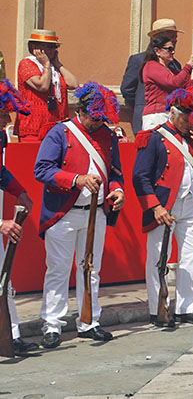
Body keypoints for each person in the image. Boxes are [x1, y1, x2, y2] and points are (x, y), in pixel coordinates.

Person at [34, 82, 125, 348]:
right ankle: (52, 324)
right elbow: (42, 170)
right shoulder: (60, 132)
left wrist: (118, 191)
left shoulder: (107, 136)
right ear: (82, 111)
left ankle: (89, 321)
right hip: (63, 212)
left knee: (91, 270)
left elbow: (115, 172)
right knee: (58, 269)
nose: (98, 123)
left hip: (95, 213)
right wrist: (76, 179)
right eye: (95, 117)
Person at [133, 87, 193, 327]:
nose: (188, 124)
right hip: (164, 206)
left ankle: (186, 307)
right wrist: (155, 207)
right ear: (173, 113)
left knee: (190, 258)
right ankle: (157, 308)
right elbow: (140, 177)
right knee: (159, 260)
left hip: (190, 203)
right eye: (185, 119)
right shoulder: (153, 138)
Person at [0, 80, 37, 355]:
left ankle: (10, 335)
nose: (6, 122)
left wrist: (20, 192)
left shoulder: (0, 136)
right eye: (2, 115)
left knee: (3, 281)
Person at [121, 19, 184, 134]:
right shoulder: (139, 60)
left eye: (175, 36)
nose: (174, 40)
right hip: (148, 119)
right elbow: (127, 89)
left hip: (170, 120)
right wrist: (143, 105)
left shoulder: (176, 64)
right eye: (170, 36)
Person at [17, 29, 76, 141]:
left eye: (55, 47)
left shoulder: (55, 68)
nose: (53, 50)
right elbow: (42, 86)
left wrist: (58, 64)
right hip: (34, 126)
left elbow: (73, 84)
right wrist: (46, 65)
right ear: (36, 48)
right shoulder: (27, 64)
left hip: (56, 125)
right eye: (49, 46)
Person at [141, 32, 193, 129]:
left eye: (173, 49)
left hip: (170, 114)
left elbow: (188, 88)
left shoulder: (172, 70)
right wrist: (190, 63)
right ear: (157, 51)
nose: (173, 52)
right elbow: (173, 83)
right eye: (169, 49)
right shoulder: (151, 66)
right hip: (156, 115)